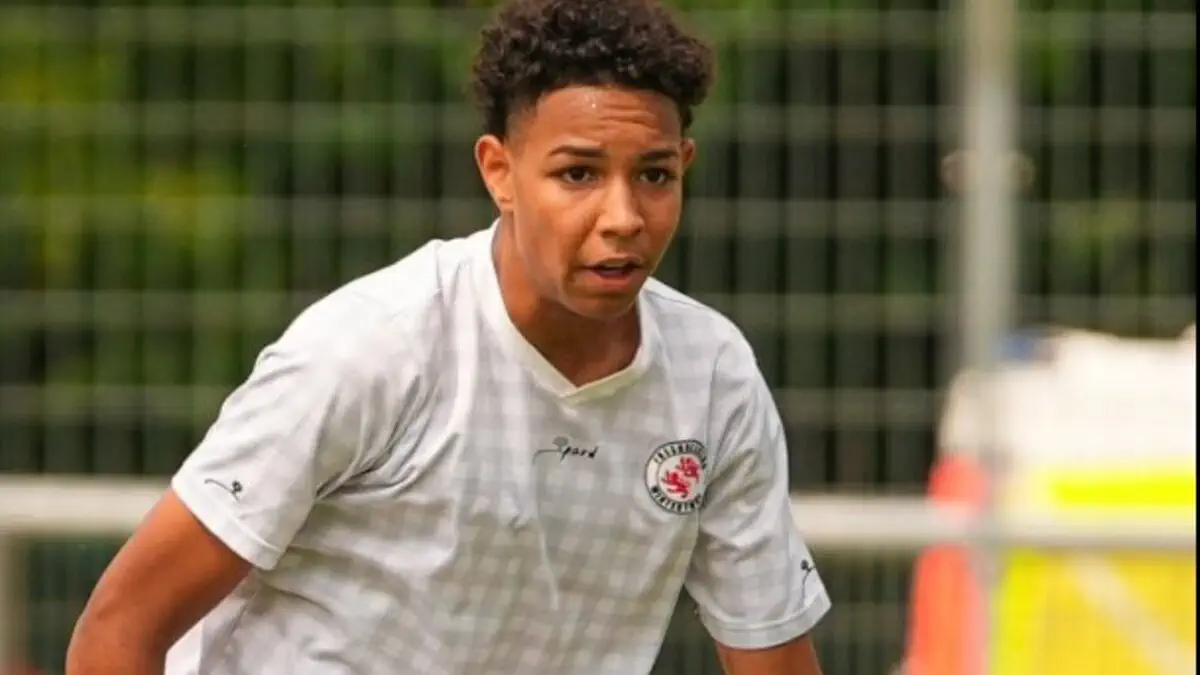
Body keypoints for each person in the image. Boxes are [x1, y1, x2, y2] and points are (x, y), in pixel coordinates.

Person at [64, 0, 831, 673]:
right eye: (578, 174)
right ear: (499, 172)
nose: (624, 216)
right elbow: (118, 628)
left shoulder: (713, 375)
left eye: (655, 176)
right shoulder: (373, 346)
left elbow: (773, 656)